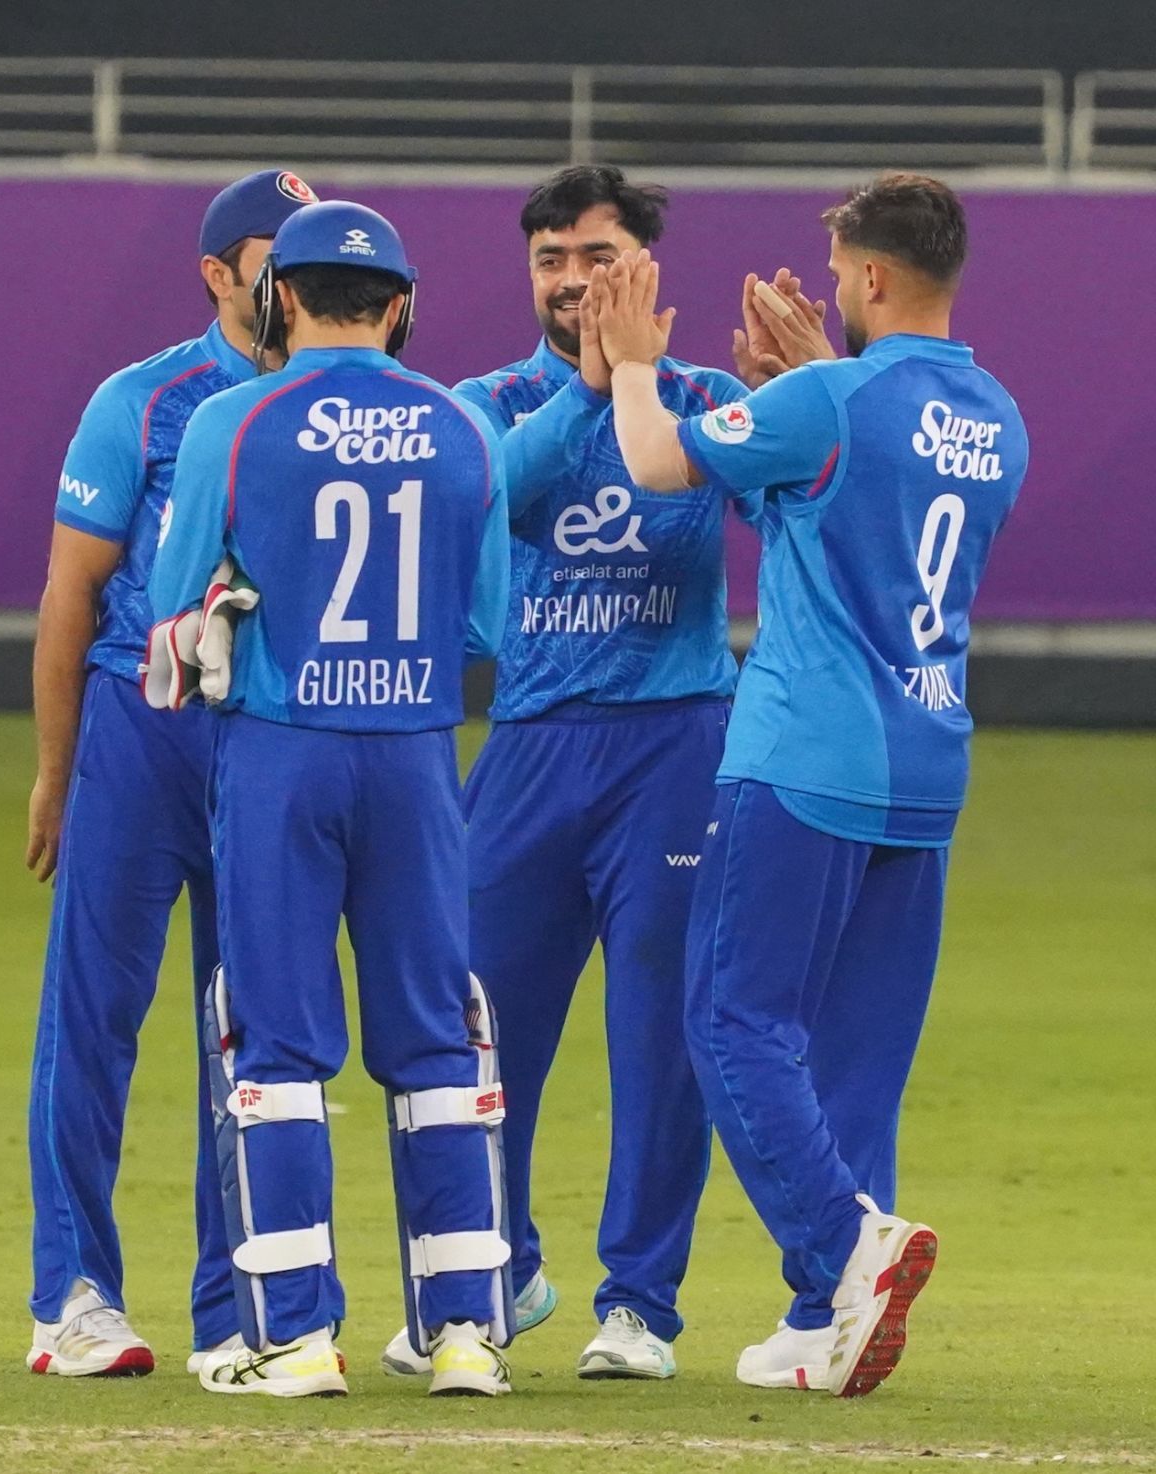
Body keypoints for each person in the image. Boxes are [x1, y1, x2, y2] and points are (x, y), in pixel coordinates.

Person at [591, 172, 1029, 1397]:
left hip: (801, 760)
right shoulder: (997, 417)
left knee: (731, 1020)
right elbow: (850, 503)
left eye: (838, 276)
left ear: (874, 279)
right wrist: (797, 388)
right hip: (927, 766)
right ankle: (814, 1321)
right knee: (854, 1061)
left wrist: (631, 361)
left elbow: (656, 459)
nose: (828, 293)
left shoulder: (830, 399)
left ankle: (846, 1254)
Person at [383, 164, 785, 1382]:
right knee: (475, 1031)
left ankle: (640, 1309)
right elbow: (488, 500)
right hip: (527, 746)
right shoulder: (484, 402)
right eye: (551, 259)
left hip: (673, 745)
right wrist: (598, 388)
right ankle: (487, 1272)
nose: (572, 280)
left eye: (597, 257)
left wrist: (799, 401)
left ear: (645, 267)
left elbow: (799, 524)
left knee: (658, 1033)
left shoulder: (710, 399)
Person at [148, 200, 514, 1399]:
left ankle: (295, 1337)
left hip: (281, 753)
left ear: (276, 298)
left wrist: (233, 620)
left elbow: (171, 619)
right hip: (414, 755)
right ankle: (465, 1333)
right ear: (401, 307)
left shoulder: (231, 421)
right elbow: (485, 625)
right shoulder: (463, 425)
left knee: (275, 1035)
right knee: (433, 1039)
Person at [25, 168, 318, 1378]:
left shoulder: (339, 403)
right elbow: (69, 595)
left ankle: (230, 1302)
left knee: (245, 1032)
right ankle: (75, 1296)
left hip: (273, 742)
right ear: (217, 272)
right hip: (140, 735)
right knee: (95, 1017)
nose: (297, 275)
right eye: (273, 252)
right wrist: (55, 771)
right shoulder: (142, 401)